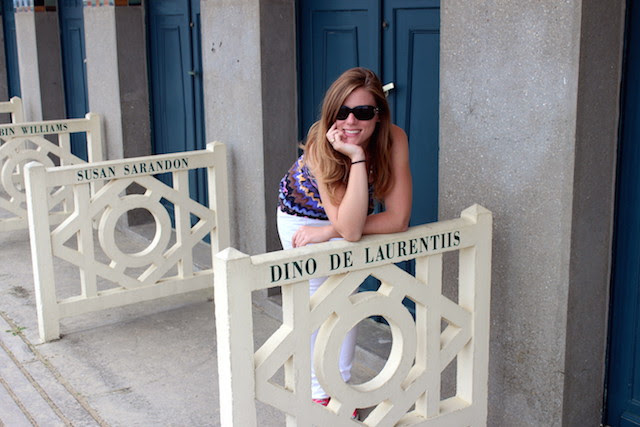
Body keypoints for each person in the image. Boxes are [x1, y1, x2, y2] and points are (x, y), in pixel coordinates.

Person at [276, 67, 412, 415]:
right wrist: (331, 227)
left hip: (345, 219)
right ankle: (321, 394)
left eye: (363, 112)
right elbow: (352, 229)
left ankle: (340, 392)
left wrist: (356, 157)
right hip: (303, 220)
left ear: (379, 115)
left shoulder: (394, 137)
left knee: (345, 300)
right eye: (342, 112)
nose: (351, 121)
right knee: (320, 304)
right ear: (330, 113)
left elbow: (397, 219)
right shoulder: (322, 143)